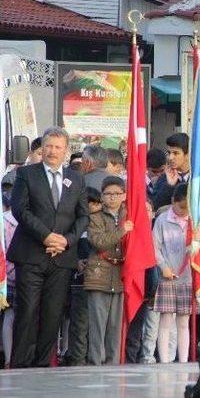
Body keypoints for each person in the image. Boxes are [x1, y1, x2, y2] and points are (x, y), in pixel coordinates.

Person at [8, 126, 89, 368]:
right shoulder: (26, 174)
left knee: (53, 314)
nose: (52, 151)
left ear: (66, 151)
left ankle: (43, 365)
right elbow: (20, 209)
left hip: (62, 257)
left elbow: (83, 216)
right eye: (49, 146)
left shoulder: (76, 178)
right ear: (42, 148)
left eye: (58, 147)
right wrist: (46, 236)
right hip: (31, 254)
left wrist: (66, 240)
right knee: (28, 311)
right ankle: (21, 364)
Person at [154, 183, 200, 363]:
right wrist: (163, 267)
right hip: (168, 276)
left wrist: (197, 240)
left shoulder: (196, 221)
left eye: (188, 207)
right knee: (166, 321)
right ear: (173, 202)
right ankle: (165, 360)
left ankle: (183, 360)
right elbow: (155, 248)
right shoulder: (162, 220)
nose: (184, 211)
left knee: (184, 322)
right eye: (181, 207)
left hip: (188, 277)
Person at [85, 176, 131, 365]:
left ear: (124, 195)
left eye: (116, 194)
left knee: (115, 325)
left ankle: (113, 364)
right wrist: (121, 231)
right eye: (107, 194)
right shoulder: (94, 218)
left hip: (120, 275)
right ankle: (96, 362)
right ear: (102, 197)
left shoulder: (130, 215)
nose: (112, 198)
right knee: (97, 324)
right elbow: (99, 242)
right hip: (99, 274)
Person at [64, 187, 102, 366]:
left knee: (98, 325)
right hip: (78, 282)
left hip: (100, 281)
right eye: (89, 205)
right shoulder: (72, 224)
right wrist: (76, 261)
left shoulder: (103, 223)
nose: (93, 208)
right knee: (79, 324)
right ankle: (77, 360)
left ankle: (96, 360)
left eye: (96, 204)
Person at [153, 133, 191, 210]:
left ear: (187, 154)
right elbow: (156, 206)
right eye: (169, 153)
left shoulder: (198, 178)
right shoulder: (164, 178)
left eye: (176, 153)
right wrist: (169, 186)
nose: (170, 157)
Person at [2, 192, 17, 368]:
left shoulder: (3, 219)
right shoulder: (28, 219)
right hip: (23, 271)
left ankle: (8, 359)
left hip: (5, 273)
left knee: (9, 316)